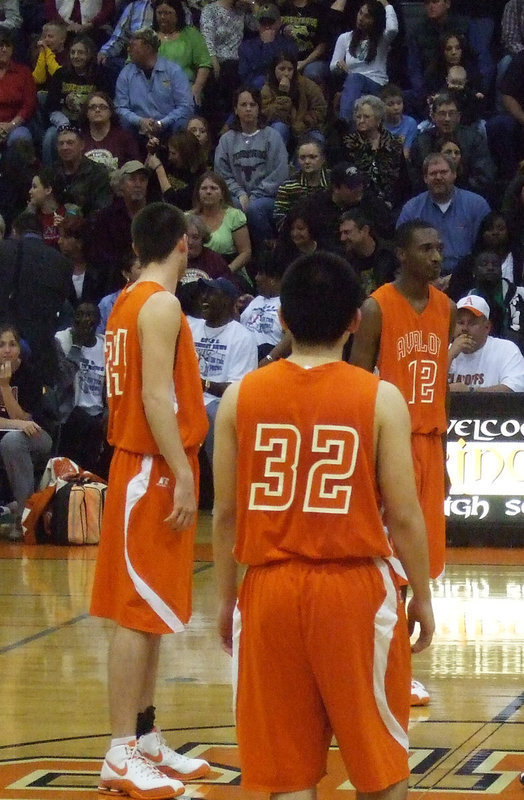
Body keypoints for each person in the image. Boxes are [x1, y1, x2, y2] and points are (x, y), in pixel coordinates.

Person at [212, 251, 435, 800]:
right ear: (355, 321)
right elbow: (404, 516)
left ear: (282, 319)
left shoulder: (240, 396)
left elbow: (225, 515)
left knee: (287, 775)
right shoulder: (381, 397)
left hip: (268, 591)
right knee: (379, 766)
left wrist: (225, 601)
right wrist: (424, 597)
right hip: (354, 590)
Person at [90, 202, 211, 799]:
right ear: (184, 245)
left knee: (153, 612)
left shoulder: (127, 303)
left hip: (143, 465)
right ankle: (118, 752)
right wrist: (183, 475)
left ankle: (144, 737)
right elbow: (156, 400)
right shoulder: (159, 304)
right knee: (137, 615)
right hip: (150, 465)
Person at [350, 219, 454, 704]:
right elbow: (353, 384)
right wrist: (362, 454)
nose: (436, 257)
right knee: (388, 558)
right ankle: (383, 662)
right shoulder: (376, 306)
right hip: (389, 442)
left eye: (439, 249)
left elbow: (442, 391)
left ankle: (397, 662)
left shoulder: (447, 308)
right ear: (402, 254)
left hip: (429, 444)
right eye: (426, 248)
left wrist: (446, 457)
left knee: (419, 561)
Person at [188, 276, 257, 467]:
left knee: (213, 414)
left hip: (217, 404)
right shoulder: (191, 329)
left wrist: (202, 384)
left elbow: (237, 390)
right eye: (203, 293)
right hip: (185, 399)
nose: (205, 298)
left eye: (211, 293)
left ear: (227, 300)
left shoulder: (242, 337)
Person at [0, 210, 71, 384]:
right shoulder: (62, 262)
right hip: (42, 352)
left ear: (15, 230)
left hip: (5, 346)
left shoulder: (4, 250)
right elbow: (61, 305)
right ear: (42, 234)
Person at [396, 153, 490, 280]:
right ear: (425, 178)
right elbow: (403, 250)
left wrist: (456, 277)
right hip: (422, 279)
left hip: (468, 278)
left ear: (454, 174)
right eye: (433, 174)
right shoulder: (411, 209)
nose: (438, 177)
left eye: (444, 172)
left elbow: (486, 250)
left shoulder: (477, 205)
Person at [214, 87, 289, 246]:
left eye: (253, 104)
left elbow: (279, 174)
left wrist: (255, 195)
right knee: (231, 207)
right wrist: (240, 193)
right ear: (235, 109)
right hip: (236, 197)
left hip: (267, 198)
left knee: (255, 209)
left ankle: (267, 254)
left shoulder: (272, 136)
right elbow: (221, 175)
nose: (248, 108)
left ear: (259, 108)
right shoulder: (226, 140)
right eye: (243, 105)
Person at [0, 323, 53, 539]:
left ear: (20, 349)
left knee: (12, 441)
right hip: (12, 431)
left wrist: (4, 386)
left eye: (12, 344)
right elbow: (17, 423)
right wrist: (17, 425)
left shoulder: (30, 375)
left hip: (37, 436)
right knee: (11, 438)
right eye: (1, 345)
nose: (7, 350)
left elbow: (25, 422)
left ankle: (25, 520)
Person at [115, 27, 194, 142]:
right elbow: (120, 107)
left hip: (168, 126)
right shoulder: (126, 73)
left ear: (147, 48)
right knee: (123, 123)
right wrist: (140, 121)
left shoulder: (173, 71)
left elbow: (185, 106)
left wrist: (161, 123)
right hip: (138, 127)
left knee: (182, 122)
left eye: (133, 46)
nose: (128, 49)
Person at [54, 302, 107, 472]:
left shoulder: (106, 345)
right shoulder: (62, 340)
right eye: (80, 315)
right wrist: (76, 345)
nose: (84, 320)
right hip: (70, 414)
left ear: (98, 320)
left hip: (98, 415)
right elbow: (63, 381)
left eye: (90, 315)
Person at [410, 93, 495, 198]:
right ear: (433, 116)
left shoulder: (474, 138)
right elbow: (416, 180)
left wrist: (455, 193)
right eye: (442, 113)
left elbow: (484, 176)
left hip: (467, 197)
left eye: (452, 113)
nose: (447, 119)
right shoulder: (421, 142)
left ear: (459, 116)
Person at [330, 0, 398, 123]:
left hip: (377, 84)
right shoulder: (345, 38)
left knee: (354, 78)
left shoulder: (383, 38)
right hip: (354, 85)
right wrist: (338, 65)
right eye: (360, 13)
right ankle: (348, 130)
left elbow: (393, 29)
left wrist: (386, 4)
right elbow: (332, 66)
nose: (361, 18)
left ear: (375, 20)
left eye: (367, 16)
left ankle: (343, 121)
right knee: (354, 83)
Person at [89, 159, 149, 294]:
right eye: (132, 179)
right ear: (121, 185)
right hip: (115, 284)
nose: (138, 184)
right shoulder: (107, 217)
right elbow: (101, 256)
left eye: (142, 180)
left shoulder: (155, 216)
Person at [340, 94, 410, 210]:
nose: (361, 121)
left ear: (378, 119)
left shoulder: (393, 144)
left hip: (391, 205)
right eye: (358, 117)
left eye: (366, 117)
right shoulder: (348, 144)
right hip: (357, 206)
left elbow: (403, 182)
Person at [448, 294, 524, 391]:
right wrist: (450, 356)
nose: (465, 329)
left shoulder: (506, 350)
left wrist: (470, 391)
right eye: (460, 323)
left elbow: (513, 389)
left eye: (472, 323)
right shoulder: (443, 351)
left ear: (487, 327)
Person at [260, 51, 327, 148]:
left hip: (306, 128)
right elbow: (263, 113)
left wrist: (305, 122)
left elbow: (320, 108)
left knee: (317, 139)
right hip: (280, 126)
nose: (286, 73)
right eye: (282, 69)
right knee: (279, 128)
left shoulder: (308, 85)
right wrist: (283, 95)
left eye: (290, 69)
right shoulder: (267, 88)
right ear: (274, 70)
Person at [153, 0, 211, 107]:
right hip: (153, 90)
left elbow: (205, 63)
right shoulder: (148, 35)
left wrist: (197, 87)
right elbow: (132, 63)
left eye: (167, 13)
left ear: (177, 14)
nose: (162, 17)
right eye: (159, 13)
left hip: (184, 88)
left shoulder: (191, 34)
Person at [53, 124, 112, 215]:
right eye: (61, 143)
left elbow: (102, 210)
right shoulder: (51, 173)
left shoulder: (98, 173)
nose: (64, 147)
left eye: (70, 143)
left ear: (82, 145)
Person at [273, 137, 330, 228]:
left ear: (323, 159)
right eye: (302, 158)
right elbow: (279, 217)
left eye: (312, 157)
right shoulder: (288, 186)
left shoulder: (333, 182)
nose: (307, 162)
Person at [238, 3, 297, 90]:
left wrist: (268, 45)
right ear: (258, 24)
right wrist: (266, 45)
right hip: (254, 92)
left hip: (283, 86)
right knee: (259, 81)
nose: (267, 27)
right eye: (263, 23)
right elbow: (244, 75)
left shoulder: (288, 44)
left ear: (279, 23)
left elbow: (286, 70)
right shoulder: (246, 46)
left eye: (271, 22)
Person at [339, 209, 397, 294]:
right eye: (341, 233)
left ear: (365, 230)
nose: (342, 238)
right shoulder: (345, 262)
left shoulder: (391, 254)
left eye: (347, 232)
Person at [146, 130, 206, 211]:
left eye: (173, 154)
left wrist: (159, 169)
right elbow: (146, 181)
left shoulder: (200, 177)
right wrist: (151, 152)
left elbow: (175, 202)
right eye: (170, 152)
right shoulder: (167, 159)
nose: (169, 157)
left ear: (186, 154)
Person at [81, 91, 140, 171]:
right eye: (92, 107)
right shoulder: (80, 138)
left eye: (102, 107)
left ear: (110, 112)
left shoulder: (124, 138)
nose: (97, 110)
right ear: (86, 113)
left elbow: (134, 167)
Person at [0, 26, 36, 155]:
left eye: (7, 46)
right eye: (0, 45)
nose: (4, 49)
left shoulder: (23, 72)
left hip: (16, 125)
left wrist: (11, 125)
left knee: (20, 138)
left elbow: (28, 105)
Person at [27, 166, 66, 249]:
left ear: (48, 190)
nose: (30, 191)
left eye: (34, 187)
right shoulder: (29, 217)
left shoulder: (69, 213)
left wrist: (63, 230)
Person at [380, 83, 418, 159]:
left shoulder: (410, 123)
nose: (396, 108)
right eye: (390, 104)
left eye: (399, 103)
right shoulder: (377, 124)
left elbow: (406, 153)